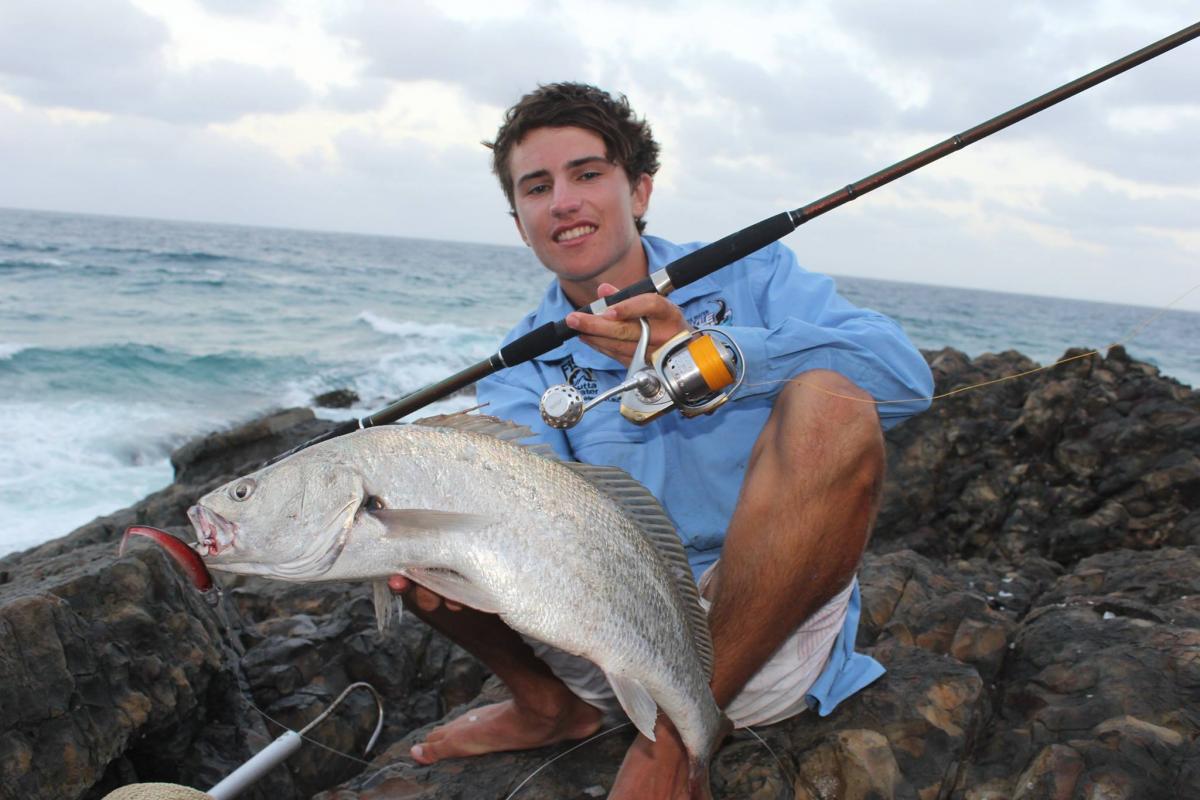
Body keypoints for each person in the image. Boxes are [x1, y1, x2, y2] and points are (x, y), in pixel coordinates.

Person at [390, 82, 934, 798]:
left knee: (833, 405)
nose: (563, 202)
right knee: (407, 519)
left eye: (588, 174)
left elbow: (904, 378)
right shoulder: (518, 368)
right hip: (612, 639)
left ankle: (679, 740)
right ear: (521, 223)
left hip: (766, 629)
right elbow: (535, 533)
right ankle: (547, 703)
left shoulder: (754, 271)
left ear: (639, 190)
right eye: (537, 187)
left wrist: (713, 355)